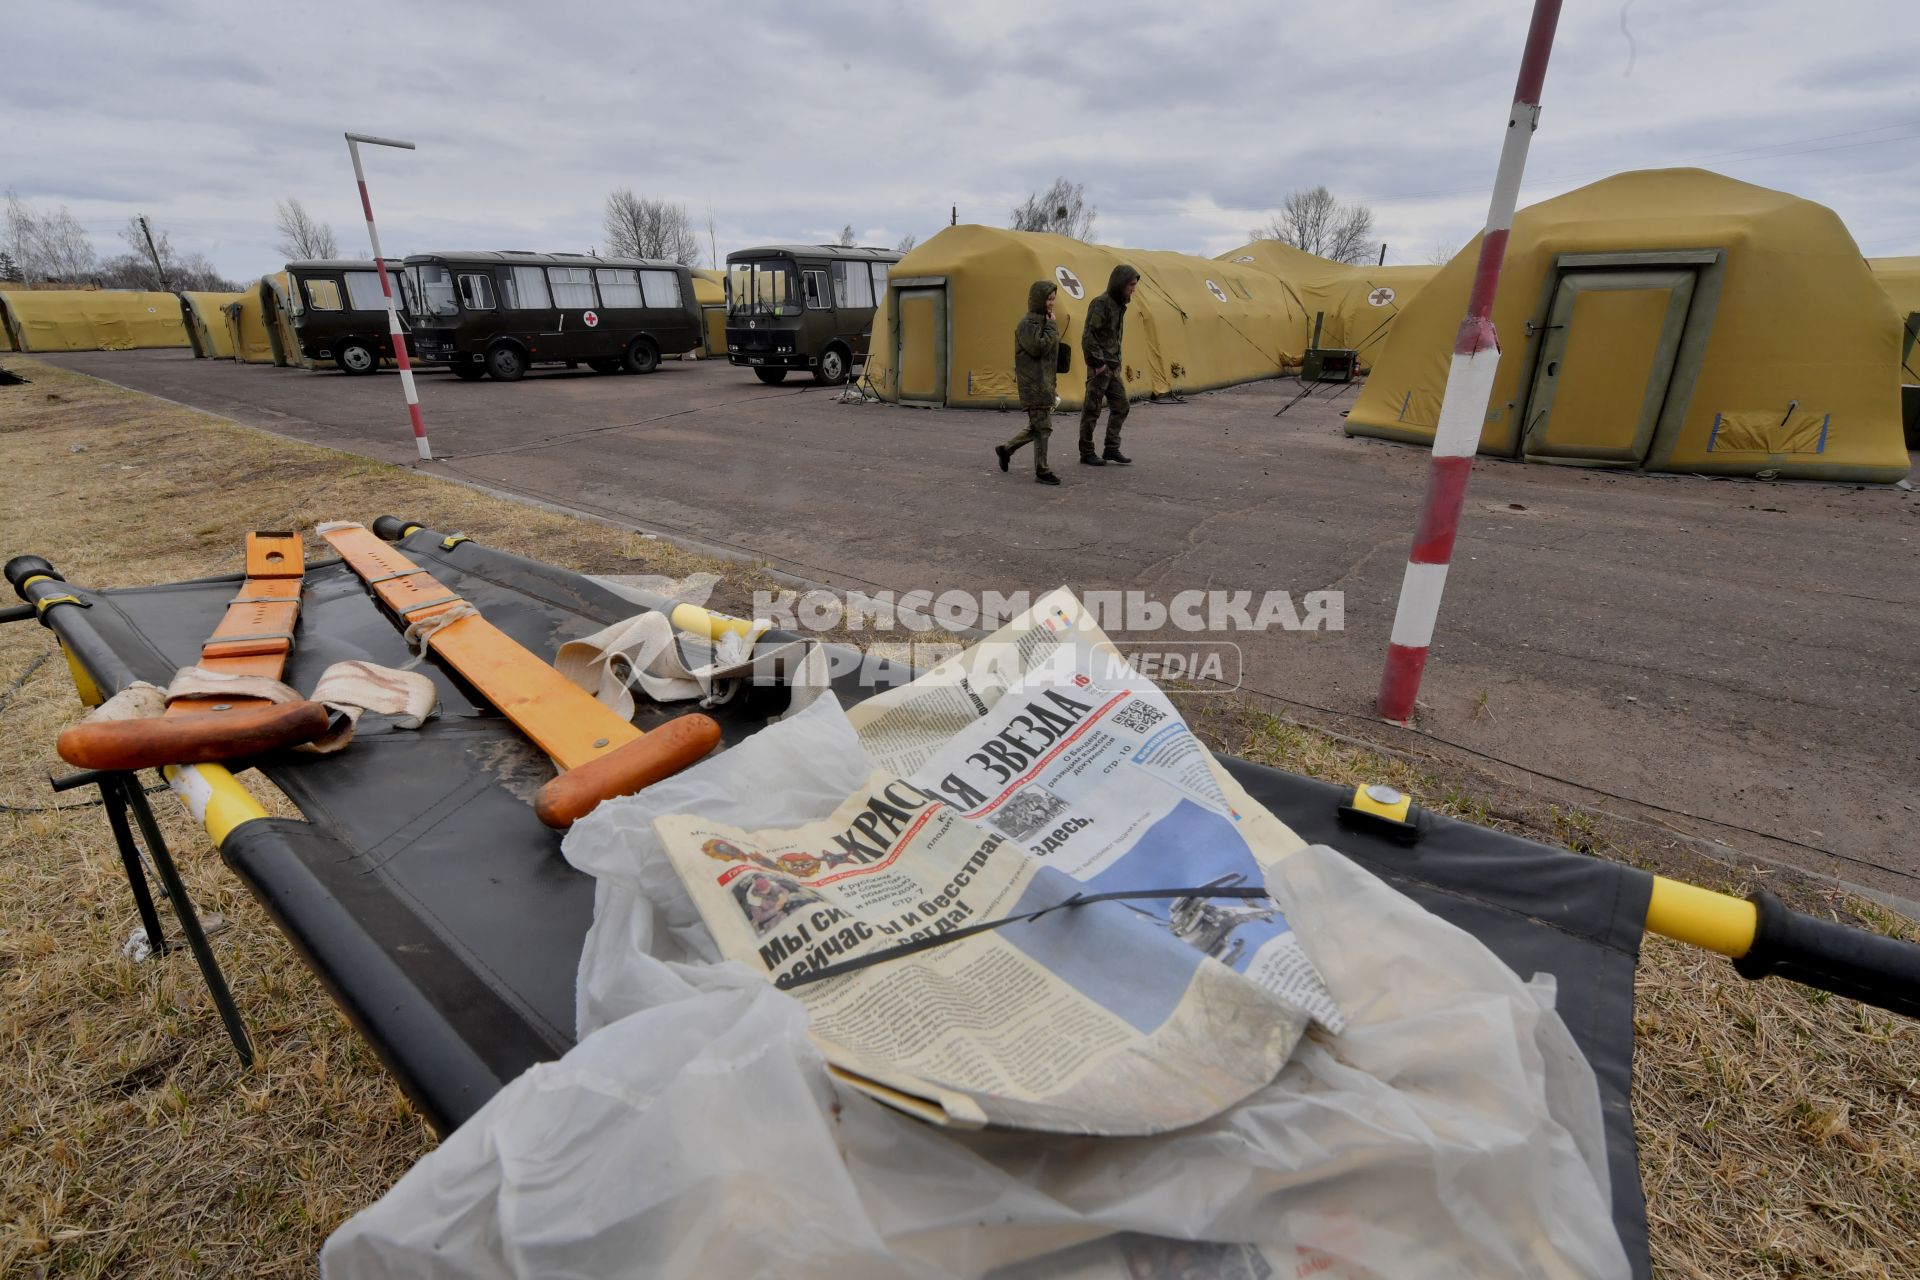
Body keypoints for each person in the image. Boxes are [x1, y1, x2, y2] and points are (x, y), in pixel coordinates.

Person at [996, 279, 1062, 485]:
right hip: (1033, 384)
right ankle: (1042, 470)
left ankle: (1006, 449)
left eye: (1053, 299)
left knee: (1037, 426)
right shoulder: (1027, 324)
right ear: (1038, 299)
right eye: (1048, 299)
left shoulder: (1044, 321)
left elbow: (1049, 356)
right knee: (1043, 427)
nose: (1051, 303)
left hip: (1045, 383)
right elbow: (1038, 348)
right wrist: (1052, 327)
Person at [1079, 264, 1139, 466]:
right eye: (1131, 284)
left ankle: (1111, 448)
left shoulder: (1119, 305)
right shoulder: (1101, 304)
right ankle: (1086, 451)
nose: (1133, 288)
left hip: (1113, 367)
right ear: (1120, 283)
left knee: (1121, 406)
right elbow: (1089, 336)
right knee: (1092, 410)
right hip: (1101, 367)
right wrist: (1097, 363)